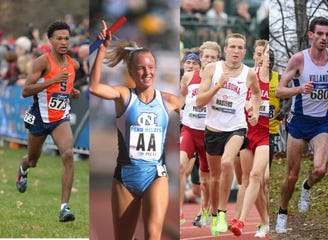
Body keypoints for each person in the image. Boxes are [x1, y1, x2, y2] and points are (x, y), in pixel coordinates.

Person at [89, 20, 180, 240]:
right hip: (125, 177)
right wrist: (102, 51)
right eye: (141, 68)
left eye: (151, 68)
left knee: (152, 234)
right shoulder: (123, 96)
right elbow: (94, 87)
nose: (147, 72)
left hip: (156, 174)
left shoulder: (169, 101)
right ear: (131, 71)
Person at [275, 16, 328, 234]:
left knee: (320, 168)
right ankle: (282, 213)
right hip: (298, 123)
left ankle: (307, 187)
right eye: (320, 34)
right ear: (311, 35)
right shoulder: (298, 59)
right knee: (291, 175)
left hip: (321, 123)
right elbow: (279, 91)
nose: (324, 38)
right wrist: (299, 89)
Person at [196, 33, 261, 237]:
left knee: (227, 163)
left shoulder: (249, 74)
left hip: (237, 128)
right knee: (214, 178)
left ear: (244, 51)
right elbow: (199, 102)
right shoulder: (211, 69)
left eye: (240, 48)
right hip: (213, 129)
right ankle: (215, 215)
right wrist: (218, 86)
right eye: (232, 47)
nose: (236, 51)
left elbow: (257, 93)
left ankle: (223, 213)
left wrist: (256, 111)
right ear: (225, 50)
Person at [15, 20, 80, 222]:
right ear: (50, 40)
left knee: (68, 154)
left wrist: (72, 92)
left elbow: (64, 88)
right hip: (39, 118)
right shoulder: (42, 62)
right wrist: (52, 80)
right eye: (59, 38)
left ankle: (64, 208)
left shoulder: (74, 64)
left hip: (60, 118)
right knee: (33, 159)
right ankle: (23, 169)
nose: (63, 42)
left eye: (67, 38)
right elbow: (25, 91)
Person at [229, 42, 270, 238]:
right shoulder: (248, 75)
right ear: (255, 56)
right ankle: (263, 221)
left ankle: (243, 220)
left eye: (266, 55)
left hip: (266, 135)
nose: (263, 58)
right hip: (247, 133)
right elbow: (239, 97)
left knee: (260, 177)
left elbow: (279, 103)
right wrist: (248, 105)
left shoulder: (275, 79)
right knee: (247, 179)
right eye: (260, 54)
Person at [179, 41, 221, 227]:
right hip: (189, 129)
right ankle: (177, 212)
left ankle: (205, 211)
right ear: (201, 58)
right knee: (179, 165)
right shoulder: (188, 77)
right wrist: (178, 110)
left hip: (208, 134)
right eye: (206, 57)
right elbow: (181, 98)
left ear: (218, 60)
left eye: (213, 57)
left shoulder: (221, 81)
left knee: (205, 181)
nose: (209, 60)